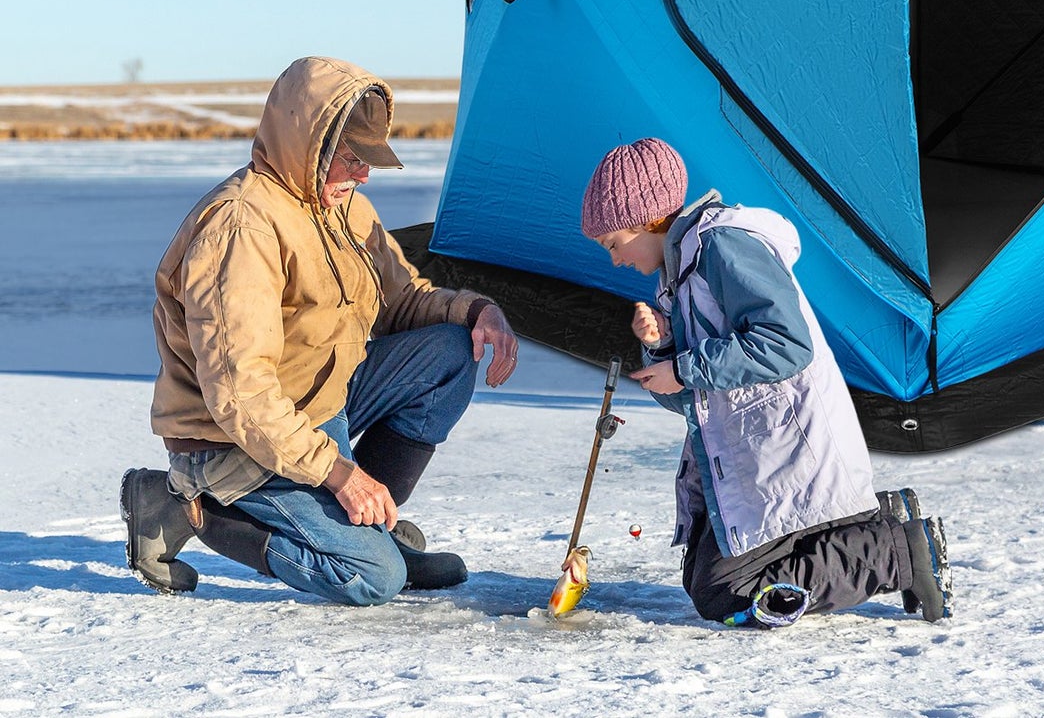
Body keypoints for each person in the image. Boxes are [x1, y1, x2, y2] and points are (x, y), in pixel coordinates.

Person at [122, 55, 518, 606]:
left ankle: (367, 528)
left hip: (317, 401)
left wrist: (477, 312)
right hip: (231, 441)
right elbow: (242, 395)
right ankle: (191, 509)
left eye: (368, 161)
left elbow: (400, 301)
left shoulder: (340, 206)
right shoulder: (242, 227)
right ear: (307, 146)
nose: (362, 175)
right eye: (352, 159)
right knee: (372, 579)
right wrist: (337, 475)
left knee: (448, 354)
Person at [577, 137, 952, 626]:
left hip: (788, 447)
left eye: (614, 244)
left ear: (649, 219)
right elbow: (693, 398)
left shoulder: (721, 246)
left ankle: (897, 551)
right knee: (705, 579)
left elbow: (787, 344)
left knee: (723, 592)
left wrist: (685, 367)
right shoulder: (681, 277)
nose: (614, 259)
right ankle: (878, 520)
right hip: (752, 460)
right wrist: (664, 350)